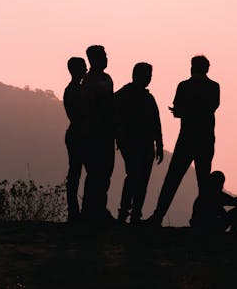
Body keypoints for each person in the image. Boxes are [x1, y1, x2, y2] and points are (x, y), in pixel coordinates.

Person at [147, 55, 219, 225]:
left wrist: (185, 110)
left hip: (186, 139)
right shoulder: (214, 87)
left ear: (192, 67)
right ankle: (204, 219)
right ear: (207, 68)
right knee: (203, 181)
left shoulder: (184, 86)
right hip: (206, 139)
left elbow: (178, 111)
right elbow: (211, 108)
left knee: (172, 179)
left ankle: (158, 217)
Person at [114, 62, 164, 224]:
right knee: (136, 177)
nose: (149, 79)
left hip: (142, 144)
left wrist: (159, 145)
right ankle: (128, 212)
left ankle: (132, 212)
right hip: (133, 143)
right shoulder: (127, 95)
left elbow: (156, 123)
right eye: (148, 75)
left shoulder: (142, 96)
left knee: (139, 178)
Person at [80, 45, 116, 222]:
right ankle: (91, 211)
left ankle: (98, 209)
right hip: (95, 133)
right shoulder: (89, 81)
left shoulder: (106, 78)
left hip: (107, 132)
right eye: (104, 56)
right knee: (96, 173)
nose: (107, 58)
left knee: (105, 173)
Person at [63, 56, 88, 222]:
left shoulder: (74, 89)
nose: (85, 70)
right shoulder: (74, 90)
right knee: (77, 173)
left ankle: (77, 211)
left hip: (77, 134)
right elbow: (77, 115)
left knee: (76, 172)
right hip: (79, 135)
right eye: (83, 67)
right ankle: (75, 211)